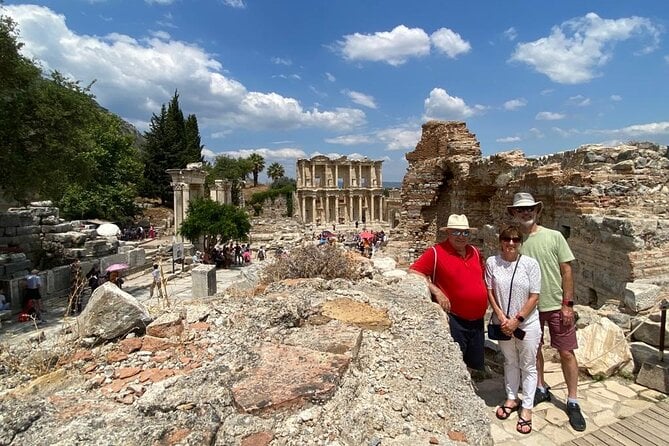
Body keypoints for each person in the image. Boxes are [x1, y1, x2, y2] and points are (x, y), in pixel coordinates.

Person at [508, 192, 586, 432]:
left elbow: (567, 271)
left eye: (530, 208)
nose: (526, 212)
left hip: (554, 305)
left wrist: (568, 304)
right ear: (514, 213)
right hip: (529, 309)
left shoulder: (554, 236)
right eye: (521, 210)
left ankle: (572, 400)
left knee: (566, 352)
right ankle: (540, 387)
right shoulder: (514, 241)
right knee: (534, 351)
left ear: (537, 211)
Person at [409, 214, 488, 375]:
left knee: (473, 365)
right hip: (455, 319)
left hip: (478, 321)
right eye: (456, 232)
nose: (461, 237)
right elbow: (414, 271)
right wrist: (436, 290)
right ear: (448, 233)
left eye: (465, 233)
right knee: (455, 366)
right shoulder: (436, 252)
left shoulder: (474, 251)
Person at [485, 225, 541, 435]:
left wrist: (516, 320)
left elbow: (535, 295)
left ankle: (527, 408)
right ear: (501, 241)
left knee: (528, 365)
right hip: (503, 323)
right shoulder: (492, 262)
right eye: (507, 239)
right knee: (510, 361)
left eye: (515, 240)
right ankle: (511, 397)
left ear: (520, 243)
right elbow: (489, 290)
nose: (510, 243)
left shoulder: (530, 264)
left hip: (526, 324)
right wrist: (501, 317)